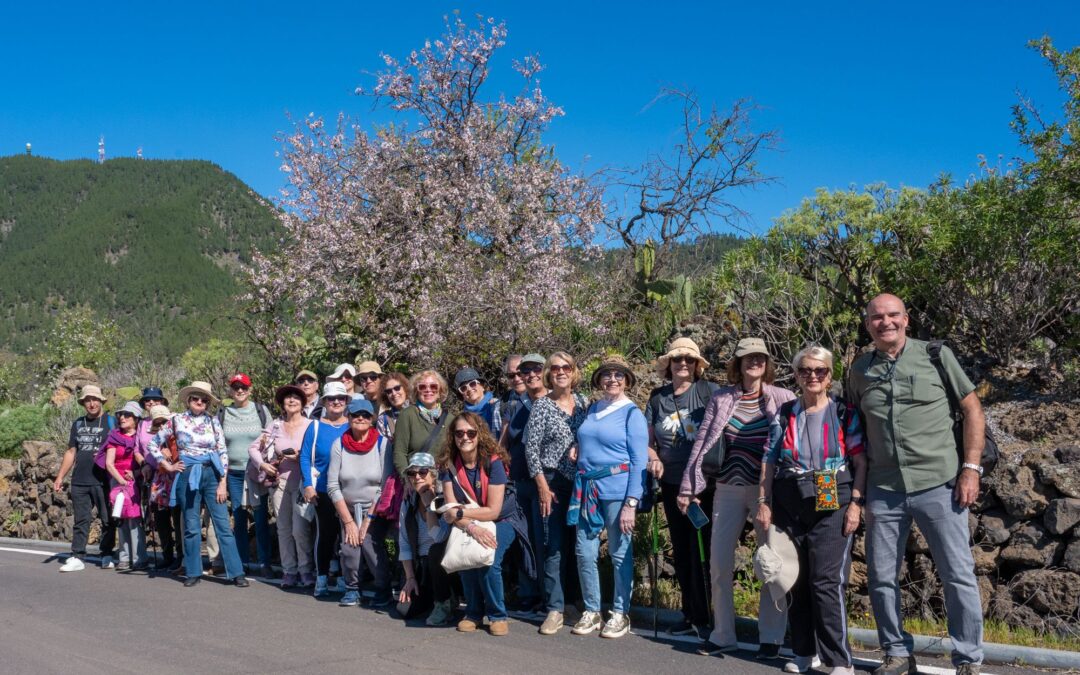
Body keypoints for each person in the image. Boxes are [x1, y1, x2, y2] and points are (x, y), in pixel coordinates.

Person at [847, 293, 986, 675]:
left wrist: (971, 468)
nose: (885, 322)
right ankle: (896, 653)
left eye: (893, 315)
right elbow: (854, 428)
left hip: (939, 483)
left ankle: (968, 659)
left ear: (906, 319)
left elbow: (972, 408)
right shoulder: (860, 371)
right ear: (868, 324)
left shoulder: (935, 356)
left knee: (957, 573)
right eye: (877, 317)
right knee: (880, 577)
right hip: (884, 487)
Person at [679, 337, 795, 657]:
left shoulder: (784, 398)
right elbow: (703, 440)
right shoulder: (723, 398)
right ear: (738, 364)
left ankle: (771, 637)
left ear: (767, 363)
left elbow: (795, 443)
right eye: (747, 358)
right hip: (727, 488)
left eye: (759, 357)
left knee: (771, 563)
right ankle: (723, 633)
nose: (754, 362)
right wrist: (690, 486)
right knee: (719, 563)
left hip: (766, 494)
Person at [758, 345, 867, 675]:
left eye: (820, 371)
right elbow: (769, 461)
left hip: (833, 499)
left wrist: (856, 505)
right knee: (794, 579)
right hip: (791, 500)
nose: (812, 376)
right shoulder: (785, 412)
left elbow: (861, 461)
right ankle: (804, 652)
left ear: (830, 375)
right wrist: (763, 502)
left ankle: (838, 659)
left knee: (825, 581)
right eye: (805, 370)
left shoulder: (845, 414)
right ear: (797, 375)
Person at [569, 355, 647, 639]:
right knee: (584, 551)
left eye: (618, 375)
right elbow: (588, 438)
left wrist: (631, 503)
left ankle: (619, 612)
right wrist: (577, 445)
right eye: (607, 375)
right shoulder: (592, 409)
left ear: (626, 380)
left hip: (617, 491)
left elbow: (639, 461)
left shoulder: (631, 414)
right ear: (599, 379)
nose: (612, 380)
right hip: (588, 489)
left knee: (619, 553)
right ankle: (591, 610)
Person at [646, 338, 719, 639]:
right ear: (669, 365)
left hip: (703, 485)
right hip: (673, 483)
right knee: (681, 548)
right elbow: (648, 441)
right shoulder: (657, 397)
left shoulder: (709, 391)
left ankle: (706, 616)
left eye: (689, 360)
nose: (683, 364)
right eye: (678, 360)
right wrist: (653, 458)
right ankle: (688, 613)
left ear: (698, 365)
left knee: (701, 550)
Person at [438, 412, 530, 637]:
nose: (465, 437)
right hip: (469, 522)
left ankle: (497, 615)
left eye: (471, 432)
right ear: (453, 436)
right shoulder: (448, 466)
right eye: (459, 433)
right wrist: (471, 526)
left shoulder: (493, 461)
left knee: (489, 558)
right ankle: (473, 613)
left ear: (480, 435)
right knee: (466, 557)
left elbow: (493, 510)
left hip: (503, 518)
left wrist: (460, 514)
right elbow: (450, 508)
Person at [148, 381, 248, 587]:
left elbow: (222, 452)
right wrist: (167, 465)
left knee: (222, 524)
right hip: (188, 474)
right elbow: (153, 443)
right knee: (192, 526)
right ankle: (193, 572)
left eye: (204, 400)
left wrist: (222, 483)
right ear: (188, 400)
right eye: (196, 398)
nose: (200, 402)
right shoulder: (175, 421)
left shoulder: (213, 422)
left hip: (212, 473)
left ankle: (236, 572)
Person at [523, 351, 588, 635]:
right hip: (552, 482)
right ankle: (554, 607)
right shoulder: (542, 406)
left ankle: (575, 603)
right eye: (556, 367)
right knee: (553, 546)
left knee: (578, 546)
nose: (561, 371)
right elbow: (531, 449)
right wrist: (542, 487)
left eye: (566, 367)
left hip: (581, 485)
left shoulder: (585, 404)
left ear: (574, 372)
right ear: (549, 373)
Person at [327, 398, 394, 607]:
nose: (361, 419)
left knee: (369, 544)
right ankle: (352, 588)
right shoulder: (339, 444)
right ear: (349, 418)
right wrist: (348, 521)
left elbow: (385, 485)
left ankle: (383, 588)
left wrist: (367, 520)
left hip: (375, 508)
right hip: (347, 507)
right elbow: (332, 485)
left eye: (365, 415)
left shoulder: (382, 444)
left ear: (372, 419)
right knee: (349, 546)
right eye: (356, 415)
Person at [249, 384, 313, 588]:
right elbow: (253, 448)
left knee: (300, 530)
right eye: (288, 398)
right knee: (284, 529)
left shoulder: (311, 425)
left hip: (303, 483)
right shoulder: (274, 426)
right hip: (280, 483)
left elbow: (317, 452)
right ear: (282, 403)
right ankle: (289, 571)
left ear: (303, 402)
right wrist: (263, 464)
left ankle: (306, 569)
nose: (292, 400)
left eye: (296, 397)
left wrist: (301, 457)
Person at [499, 352, 547, 615]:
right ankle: (530, 592)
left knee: (545, 540)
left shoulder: (552, 401)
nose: (521, 377)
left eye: (526, 371)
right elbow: (502, 446)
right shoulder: (514, 406)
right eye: (515, 374)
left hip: (547, 483)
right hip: (519, 482)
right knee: (524, 538)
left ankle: (549, 594)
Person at [54, 385, 117, 572]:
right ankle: (77, 556)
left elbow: (120, 449)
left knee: (107, 519)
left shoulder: (111, 422)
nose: (92, 403)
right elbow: (71, 451)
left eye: (95, 399)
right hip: (80, 480)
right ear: (83, 403)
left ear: (101, 401)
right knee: (81, 520)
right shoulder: (78, 424)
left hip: (103, 480)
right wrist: (60, 477)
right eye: (88, 400)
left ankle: (106, 554)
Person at [219, 373, 274, 577]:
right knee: (239, 517)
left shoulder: (261, 410)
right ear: (231, 391)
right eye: (236, 387)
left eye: (243, 387)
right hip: (233, 472)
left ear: (250, 389)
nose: (240, 390)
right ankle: (240, 562)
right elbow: (219, 443)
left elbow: (271, 435)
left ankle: (264, 562)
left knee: (260, 518)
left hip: (256, 472)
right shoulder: (224, 412)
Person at [299, 381, 351, 597]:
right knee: (326, 534)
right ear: (325, 402)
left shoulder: (354, 424)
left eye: (341, 398)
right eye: (332, 399)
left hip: (348, 489)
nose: (336, 402)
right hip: (322, 489)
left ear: (347, 401)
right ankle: (321, 578)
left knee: (345, 534)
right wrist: (308, 485)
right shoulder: (315, 426)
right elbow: (304, 457)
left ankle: (342, 578)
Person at [397, 452, 453, 625]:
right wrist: (410, 578)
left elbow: (440, 537)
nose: (417, 477)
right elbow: (404, 543)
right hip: (421, 566)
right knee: (406, 610)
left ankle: (444, 602)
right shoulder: (408, 502)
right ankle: (434, 597)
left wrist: (430, 506)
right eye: (412, 473)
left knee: (435, 551)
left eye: (422, 472)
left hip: (444, 563)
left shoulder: (444, 498)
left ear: (433, 474)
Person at [137, 387, 181, 571]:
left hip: (175, 474)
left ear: (163, 402)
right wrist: (144, 464)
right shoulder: (142, 424)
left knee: (177, 517)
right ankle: (167, 555)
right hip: (156, 475)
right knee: (161, 518)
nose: (152, 402)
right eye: (148, 400)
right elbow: (138, 449)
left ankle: (181, 556)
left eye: (156, 399)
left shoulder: (176, 422)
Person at [101, 401, 149, 571]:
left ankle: (139, 558)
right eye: (121, 414)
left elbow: (146, 459)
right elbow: (109, 463)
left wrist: (136, 475)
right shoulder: (114, 436)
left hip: (136, 481)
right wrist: (120, 480)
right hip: (118, 481)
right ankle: (124, 557)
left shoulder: (141, 436)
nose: (122, 418)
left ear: (136, 419)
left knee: (135, 519)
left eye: (127, 415)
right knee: (121, 519)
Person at [392, 370, 450, 476]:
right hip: (416, 480)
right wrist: (407, 479)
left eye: (433, 386)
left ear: (440, 391)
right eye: (422, 387)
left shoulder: (451, 419)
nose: (428, 390)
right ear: (417, 391)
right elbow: (399, 452)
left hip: (444, 481)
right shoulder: (407, 415)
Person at [455, 366, 502, 437]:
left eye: (472, 384)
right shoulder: (463, 419)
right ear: (462, 396)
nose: (469, 389)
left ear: (482, 386)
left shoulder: (499, 406)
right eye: (463, 388)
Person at [376, 372, 410, 440]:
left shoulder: (419, 411)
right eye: (389, 391)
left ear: (405, 388)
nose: (394, 393)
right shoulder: (383, 420)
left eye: (397, 388)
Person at [499, 354, 528, 427]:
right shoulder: (502, 405)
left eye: (520, 373)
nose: (516, 379)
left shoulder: (545, 397)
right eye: (511, 375)